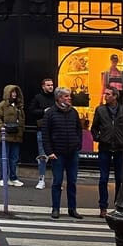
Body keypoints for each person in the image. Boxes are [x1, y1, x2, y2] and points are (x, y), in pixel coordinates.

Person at [42, 86, 84, 220]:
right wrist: (49, 152)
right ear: (59, 98)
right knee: (57, 182)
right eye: (66, 96)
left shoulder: (73, 112)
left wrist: (78, 145)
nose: (69, 98)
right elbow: (45, 134)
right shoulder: (50, 113)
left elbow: (79, 129)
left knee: (72, 182)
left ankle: (72, 209)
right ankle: (55, 208)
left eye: (69, 96)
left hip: (72, 152)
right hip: (57, 153)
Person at [90, 86, 123, 217]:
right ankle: (103, 207)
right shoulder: (101, 110)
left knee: (120, 179)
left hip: (120, 147)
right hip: (105, 147)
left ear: (115, 96)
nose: (106, 96)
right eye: (105, 94)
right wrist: (98, 137)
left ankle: (118, 205)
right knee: (103, 178)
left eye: (109, 94)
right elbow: (94, 127)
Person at [0, 84, 25, 187]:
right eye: (12, 92)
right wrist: (1, 127)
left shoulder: (19, 106)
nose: (14, 94)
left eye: (15, 92)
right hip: (5, 134)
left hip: (16, 135)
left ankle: (13, 177)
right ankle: (3, 178)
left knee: (14, 158)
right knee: (4, 157)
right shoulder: (2, 105)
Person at [28, 77, 55, 190]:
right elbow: (31, 110)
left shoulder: (56, 97)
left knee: (55, 157)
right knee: (42, 156)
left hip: (55, 130)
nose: (51, 87)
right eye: (48, 85)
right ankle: (41, 180)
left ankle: (56, 181)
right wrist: (43, 111)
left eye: (52, 85)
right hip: (42, 130)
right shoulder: (38, 97)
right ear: (43, 86)